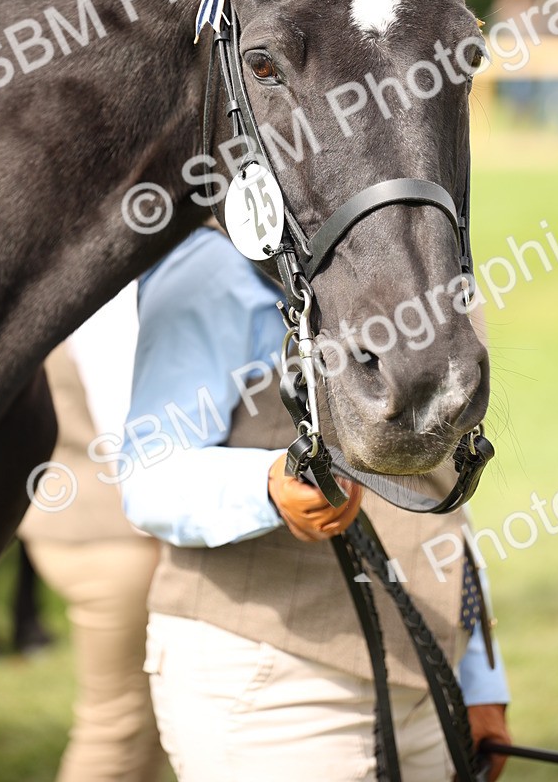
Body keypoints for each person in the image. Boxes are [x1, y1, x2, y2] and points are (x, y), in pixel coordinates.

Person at [121, 226, 511, 782]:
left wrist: (481, 682)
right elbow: (148, 474)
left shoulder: (433, 253)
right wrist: (268, 486)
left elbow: (443, 485)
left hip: (431, 683)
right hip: (275, 684)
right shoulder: (214, 265)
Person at [21, 286, 166, 782]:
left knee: (145, 722)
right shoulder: (107, 298)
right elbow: (128, 423)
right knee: (119, 723)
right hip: (115, 534)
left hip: (70, 522)